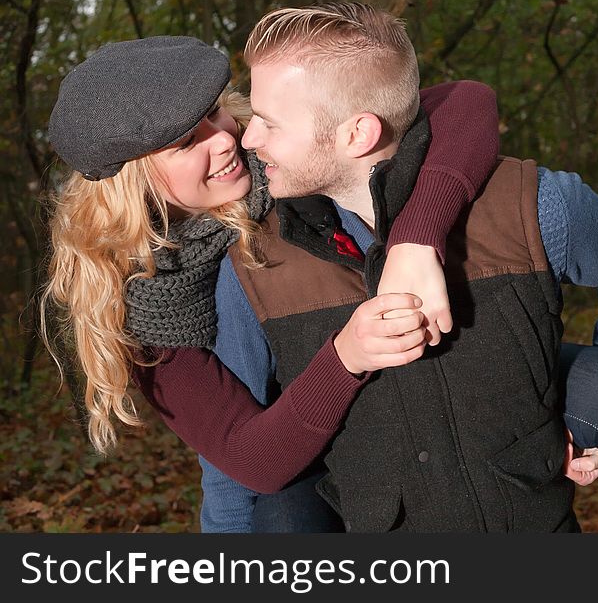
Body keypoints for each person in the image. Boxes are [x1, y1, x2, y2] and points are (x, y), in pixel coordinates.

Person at [205, 2, 598, 532]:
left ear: (358, 133)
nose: (247, 138)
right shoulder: (255, 264)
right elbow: (235, 454)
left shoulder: (534, 204)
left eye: (269, 122)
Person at [40, 35, 506, 528]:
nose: (225, 139)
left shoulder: (285, 154)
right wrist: (346, 356)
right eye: (185, 142)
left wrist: (416, 240)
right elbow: (244, 461)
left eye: (214, 113)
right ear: (130, 184)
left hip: (454, 392)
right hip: (323, 469)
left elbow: (463, 100)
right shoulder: (147, 309)